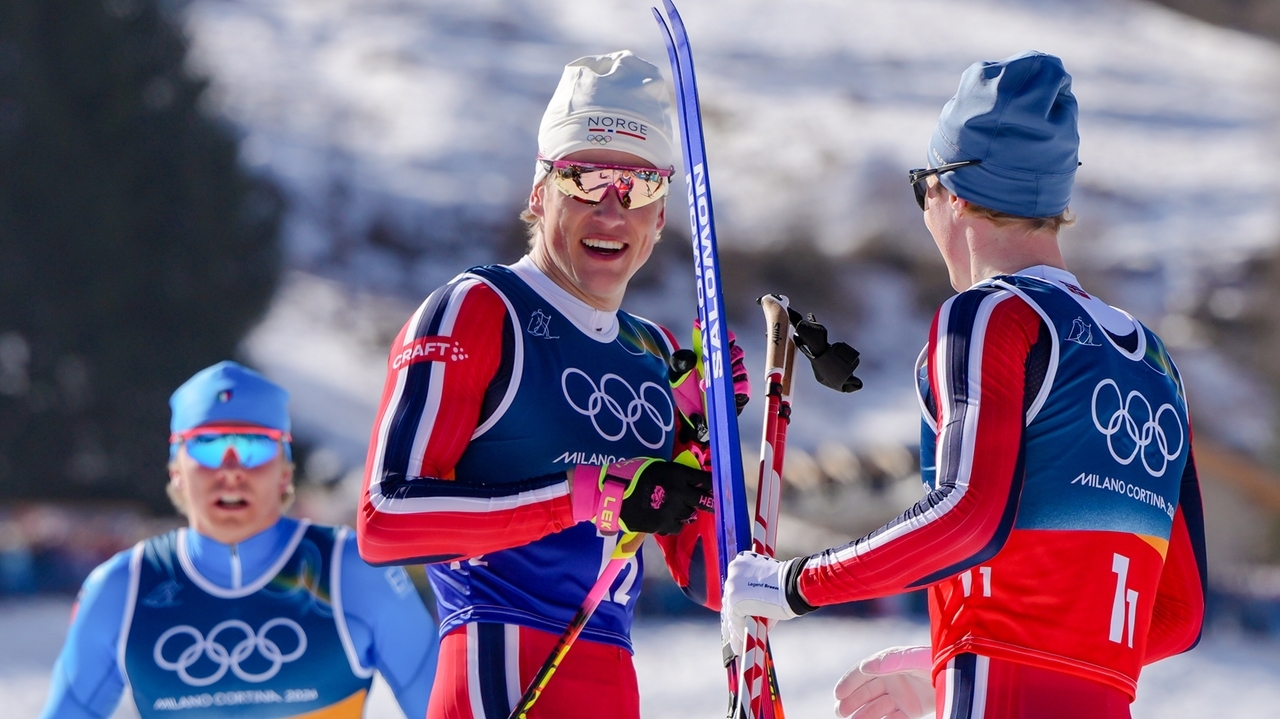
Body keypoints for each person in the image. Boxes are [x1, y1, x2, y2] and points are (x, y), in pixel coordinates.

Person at [722, 51, 1207, 719]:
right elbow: (1179, 614)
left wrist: (796, 584)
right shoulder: (1154, 361)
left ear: (952, 191)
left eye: (921, 186)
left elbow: (968, 515)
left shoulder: (991, 315)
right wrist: (953, 655)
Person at [357, 50, 748, 719]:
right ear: (539, 193)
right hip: (497, 673)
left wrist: (712, 441)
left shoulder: (654, 353)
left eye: (639, 188)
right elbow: (385, 521)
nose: (612, 210)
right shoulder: (478, 310)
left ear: (660, 216)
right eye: (585, 179)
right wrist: (589, 495)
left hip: (612, 681)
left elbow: (712, 580)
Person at [40, 361, 438, 719]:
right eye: (208, 446)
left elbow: (444, 708)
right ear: (176, 470)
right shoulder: (122, 588)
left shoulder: (348, 570)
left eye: (253, 446)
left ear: (285, 471)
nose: (231, 471)